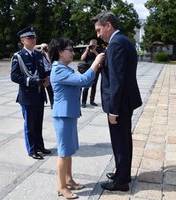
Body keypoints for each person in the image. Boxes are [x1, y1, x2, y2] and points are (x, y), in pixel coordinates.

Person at [91, 11, 142, 192]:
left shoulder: (116, 44)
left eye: (99, 30)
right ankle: (123, 173)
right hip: (126, 100)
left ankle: (121, 181)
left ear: (108, 25)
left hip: (119, 104)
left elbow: (117, 80)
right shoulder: (124, 41)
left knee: (120, 142)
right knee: (124, 140)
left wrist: (113, 110)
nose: (98, 35)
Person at [49, 37, 105, 199]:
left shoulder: (65, 68)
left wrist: (91, 72)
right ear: (60, 52)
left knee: (69, 150)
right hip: (63, 115)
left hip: (69, 113)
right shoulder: (59, 69)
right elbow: (83, 80)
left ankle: (68, 179)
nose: (72, 53)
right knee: (64, 152)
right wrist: (94, 63)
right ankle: (61, 186)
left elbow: (85, 83)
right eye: (70, 50)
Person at [10, 27, 51, 160]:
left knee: (38, 123)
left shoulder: (39, 54)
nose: (33, 40)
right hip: (27, 96)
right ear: (23, 40)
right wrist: (33, 81)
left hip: (39, 94)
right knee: (30, 124)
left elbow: (45, 70)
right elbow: (15, 76)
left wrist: (48, 78)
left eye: (34, 37)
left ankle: (40, 146)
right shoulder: (18, 56)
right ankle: (32, 149)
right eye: (29, 38)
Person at [80, 39, 100, 108]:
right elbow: (82, 58)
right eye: (92, 45)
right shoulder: (86, 50)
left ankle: (92, 100)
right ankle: (83, 102)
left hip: (96, 70)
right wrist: (86, 50)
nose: (93, 46)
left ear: (96, 45)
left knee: (94, 86)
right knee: (86, 86)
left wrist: (95, 51)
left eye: (94, 45)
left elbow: (100, 58)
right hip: (87, 70)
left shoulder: (98, 50)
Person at [34, 43, 54, 109]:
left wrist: (46, 52)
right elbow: (32, 47)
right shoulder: (36, 53)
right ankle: (42, 101)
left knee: (49, 88)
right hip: (40, 72)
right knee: (40, 88)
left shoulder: (47, 53)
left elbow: (50, 61)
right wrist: (41, 46)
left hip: (47, 72)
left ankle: (52, 102)